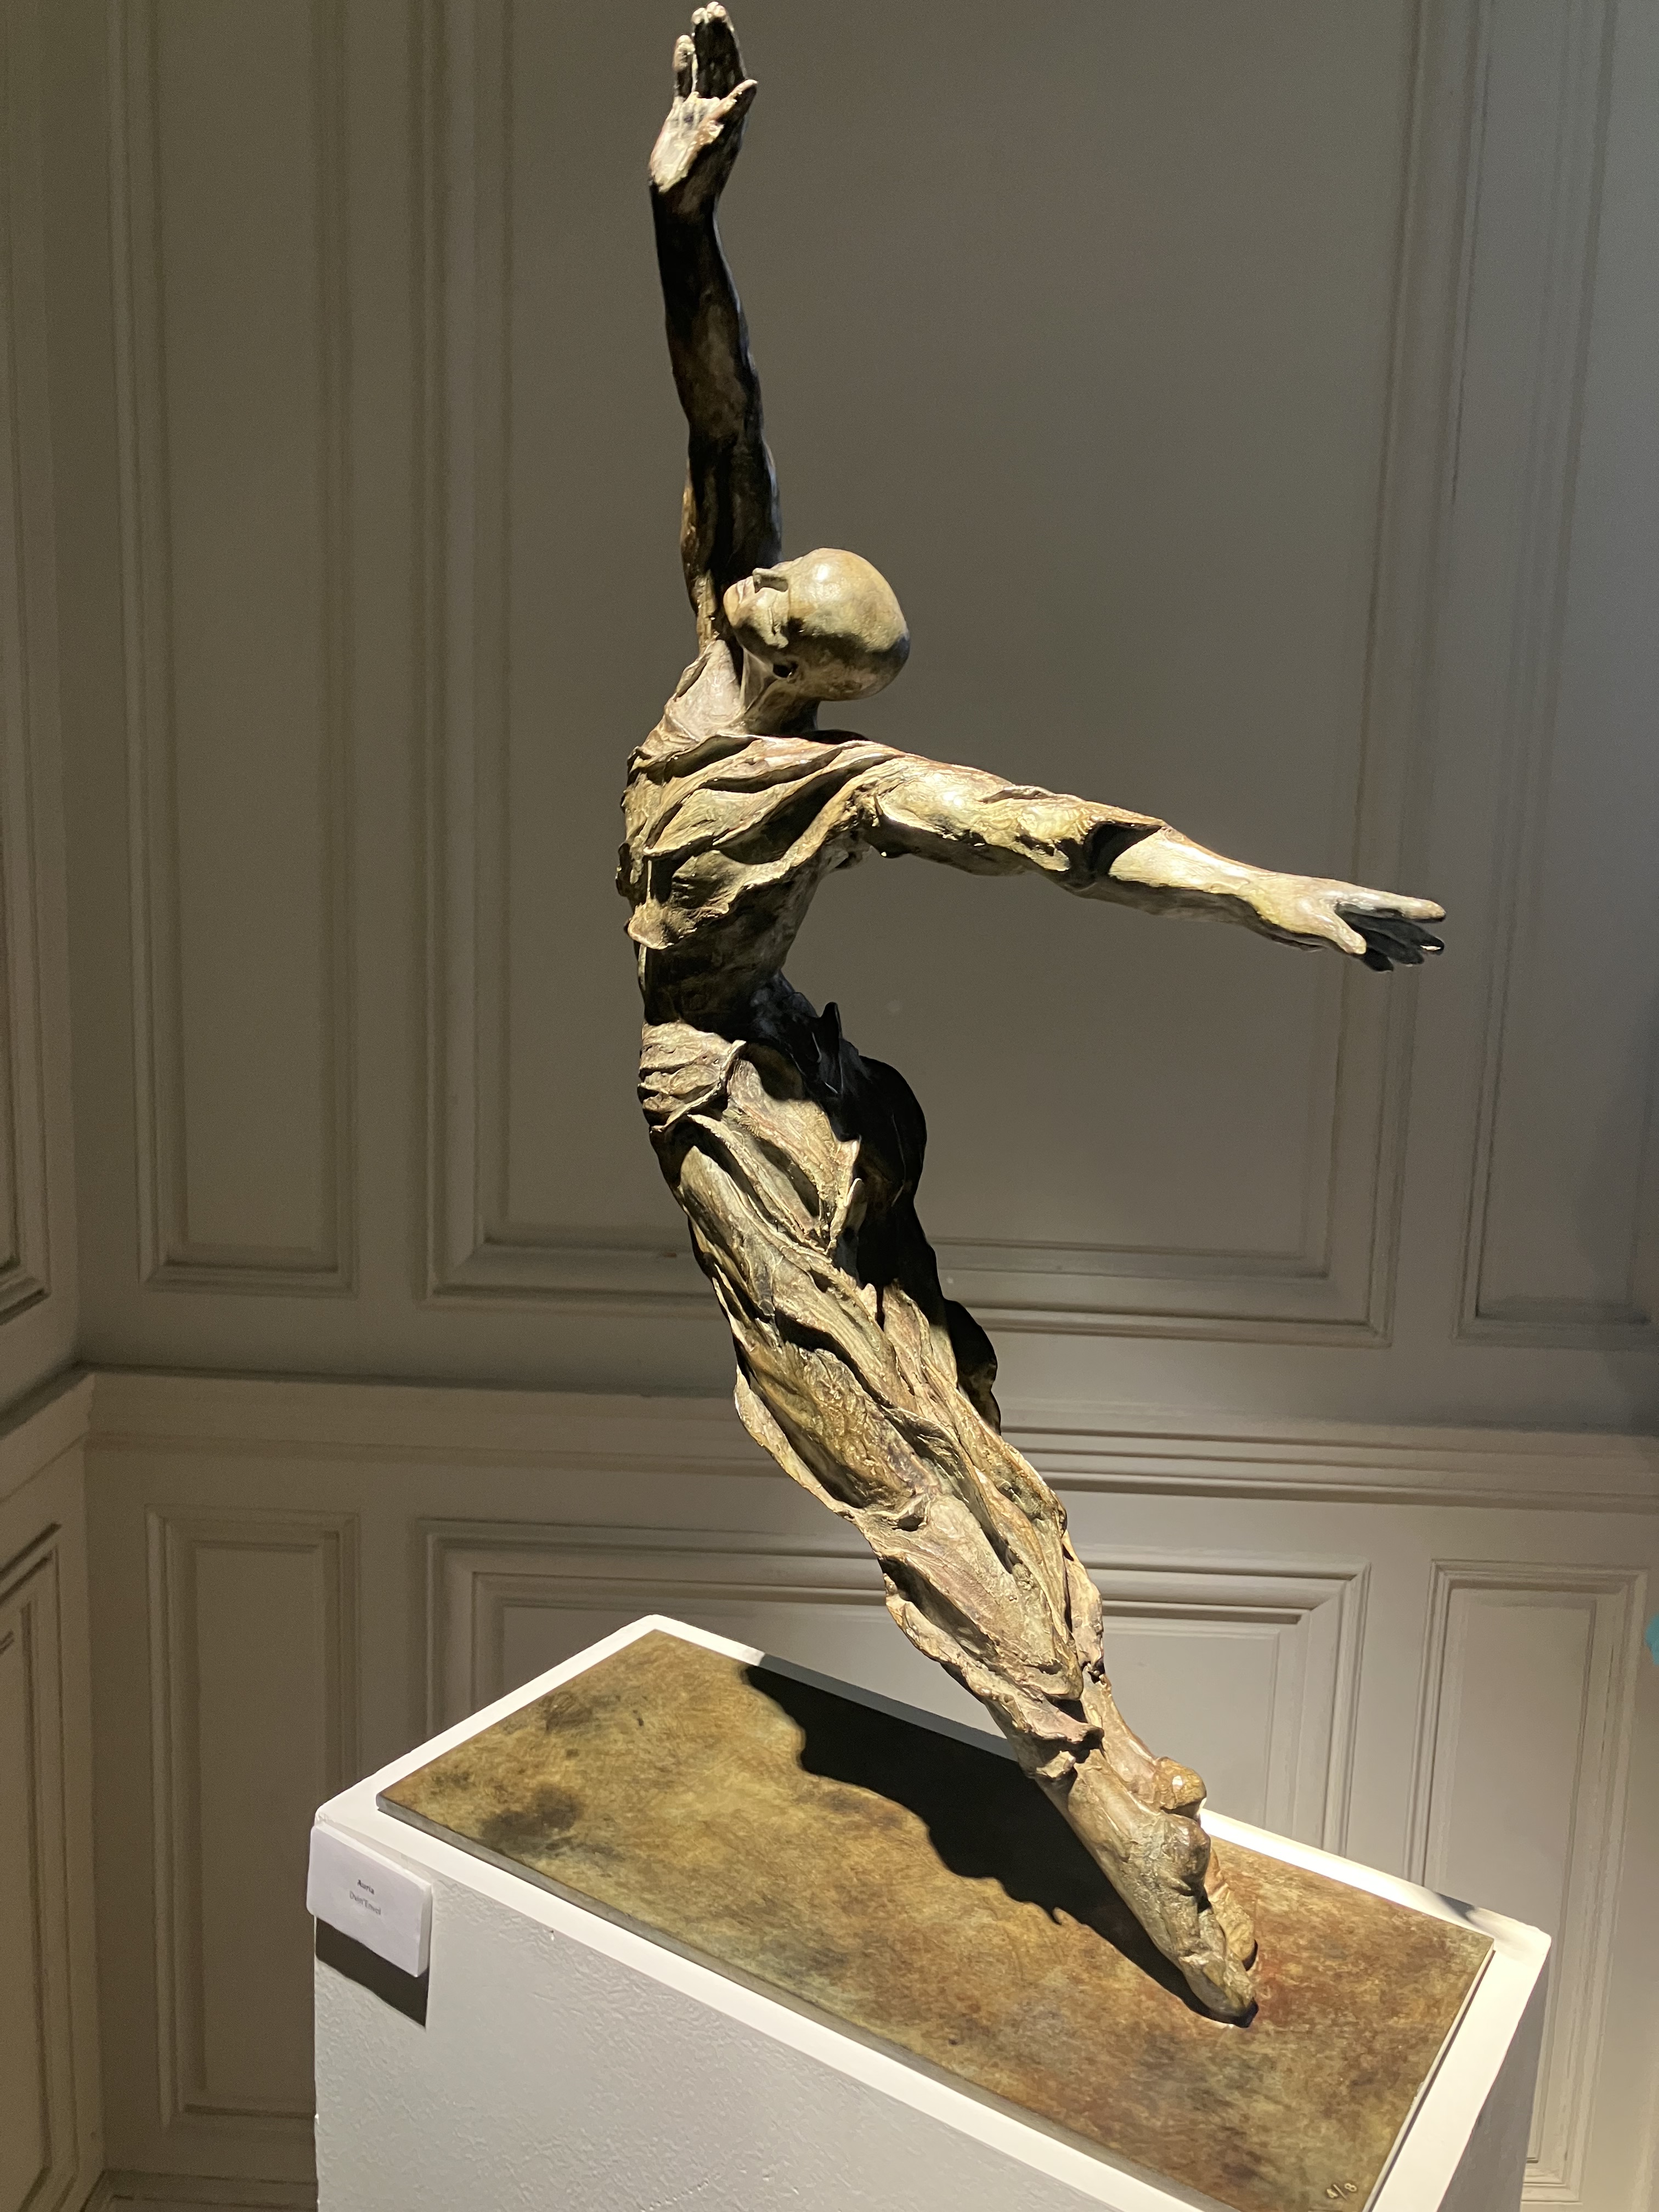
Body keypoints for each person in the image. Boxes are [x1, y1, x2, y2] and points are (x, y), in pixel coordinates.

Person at [623, 5, 1444, 2022]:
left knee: (905, 1451)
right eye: (782, 571)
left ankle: (1108, 1796)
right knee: (915, 1428)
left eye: (791, 600)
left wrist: (1272, 894)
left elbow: (1056, 834)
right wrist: (684, 218)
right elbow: (721, 402)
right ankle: (1106, 1762)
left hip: (741, 1110)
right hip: (758, 1077)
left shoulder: (828, 783)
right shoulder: (729, 631)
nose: (761, 579)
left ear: (811, 674)